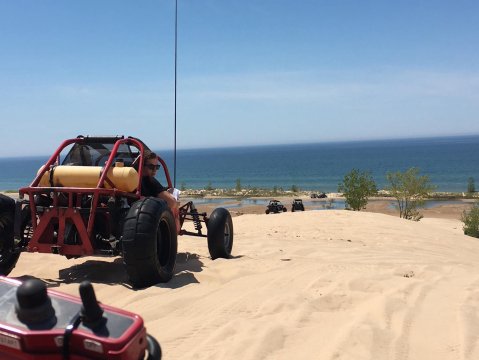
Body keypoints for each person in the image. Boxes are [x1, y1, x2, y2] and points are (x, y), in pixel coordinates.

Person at [141, 150, 181, 232]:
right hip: (149, 220)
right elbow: (171, 202)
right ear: (142, 166)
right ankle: (176, 231)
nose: (154, 170)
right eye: (151, 167)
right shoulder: (149, 181)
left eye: (157, 167)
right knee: (175, 204)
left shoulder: (134, 179)